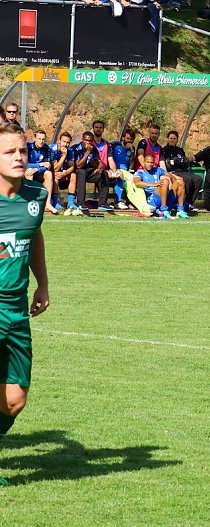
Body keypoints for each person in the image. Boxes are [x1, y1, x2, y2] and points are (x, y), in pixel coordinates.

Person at [0, 122, 50, 486]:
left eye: (22, 151)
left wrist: (42, 284)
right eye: (9, 152)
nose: (19, 158)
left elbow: (34, 236)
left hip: (17, 310)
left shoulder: (35, 195)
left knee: (14, 400)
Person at [133, 153, 188, 219]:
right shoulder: (140, 172)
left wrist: (174, 184)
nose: (150, 164)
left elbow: (169, 174)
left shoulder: (157, 170)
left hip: (165, 196)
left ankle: (180, 210)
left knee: (180, 182)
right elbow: (137, 182)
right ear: (144, 162)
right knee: (164, 181)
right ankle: (164, 210)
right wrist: (154, 184)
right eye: (148, 162)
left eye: (152, 162)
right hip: (152, 199)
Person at [162, 130, 203, 213]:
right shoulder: (164, 150)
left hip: (182, 171)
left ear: (177, 140)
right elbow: (168, 164)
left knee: (198, 179)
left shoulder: (180, 150)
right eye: (171, 138)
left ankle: (190, 202)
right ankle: (183, 202)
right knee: (187, 179)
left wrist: (177, 161)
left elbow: (185, 162)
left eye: (174, 138)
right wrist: (178, 161)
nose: (172, 140)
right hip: (172, 172)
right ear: (168, 139)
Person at [70, 131, 111, 212]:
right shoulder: (76, 148)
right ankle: (81, 203)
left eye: (90, 141)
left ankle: (103, 203)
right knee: (82, 172)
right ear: (82, 139)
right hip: (77, 171)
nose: (88, 143)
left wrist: (99, 168)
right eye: (86, 140)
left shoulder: (93, 148)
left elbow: (100, 162)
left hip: (88, 170)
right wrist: (88, 152)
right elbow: (78, 165)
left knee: (103, 173)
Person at [25, 130, 56, 214]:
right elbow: (25, 164)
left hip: (38, 172)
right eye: (39, 139)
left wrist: (37, 169)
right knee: (29, 172)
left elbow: (48, 166)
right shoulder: (28, 147)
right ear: (34, 138)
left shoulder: (47, 149)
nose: (41, 141)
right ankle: (30, 202)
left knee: (49, 174)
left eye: (43, 139)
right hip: (27, 172)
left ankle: (47, 204)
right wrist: (39, 165)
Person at [108, 128, 136, 210]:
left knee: (135, 179)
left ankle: (131, 202)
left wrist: (132, 152)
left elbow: (131, 165)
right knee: (120, 175)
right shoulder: (115, 145)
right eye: (127, 138)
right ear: (123, 138)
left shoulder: (132, 149)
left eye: (131, 139)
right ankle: (118, 201)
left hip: (126, 172)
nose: (129, 141)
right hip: (114, 170)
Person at [52, 132, 78, 215]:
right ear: (59, 141)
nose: (65, 144)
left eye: (67, 142)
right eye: (64, 141)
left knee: (73, 175)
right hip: (53, 174)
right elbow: (55, 168)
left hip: (63, 175)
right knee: (56, 175)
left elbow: (72, 167)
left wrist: (65, 173)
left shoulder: (70, 151)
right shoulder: (53, 149)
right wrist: (64, 156)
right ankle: (55, 202)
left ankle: (70, 203)